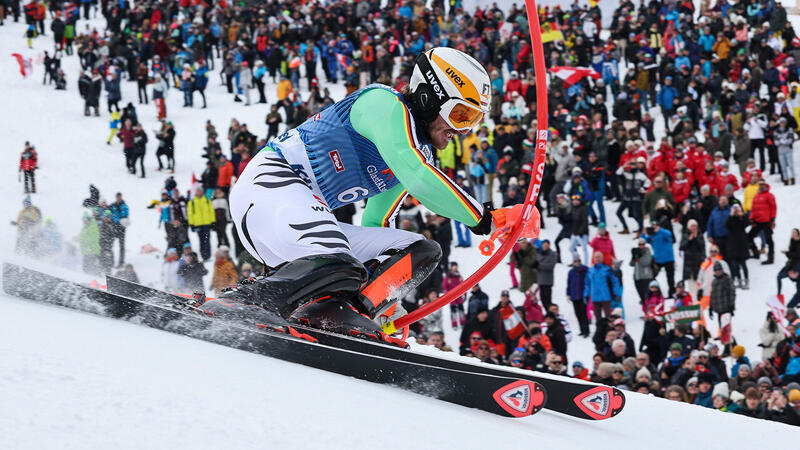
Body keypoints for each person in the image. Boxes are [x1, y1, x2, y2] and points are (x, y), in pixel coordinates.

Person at [227, 47, 538, 333]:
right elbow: (417, 174)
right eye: (461, 115)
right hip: (269, 187)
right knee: (340, 261)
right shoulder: (383, 104)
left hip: (294, 222)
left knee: (420, 250)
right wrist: (487, 218)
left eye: (475, 120)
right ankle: (249, 300)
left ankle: (343, 312)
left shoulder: (417, 153)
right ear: (430, 98)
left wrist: (383, 301)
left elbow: (378, 224)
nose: (464, 131)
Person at [584, 252, 622, 323]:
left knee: (608, 317)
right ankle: (600, 332)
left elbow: (615, 282)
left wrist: (617, 294)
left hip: (606, 297)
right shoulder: (590, 271)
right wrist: (586, 295)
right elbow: (587, 284)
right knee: (598, 318)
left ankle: (609, 332)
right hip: (595, 297)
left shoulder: (607, 269)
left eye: (599, 257)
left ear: (602, 258)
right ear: (593, 259)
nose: (597, 258)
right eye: (596, 257)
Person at [748, 179, 777, 265]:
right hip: (757, 221)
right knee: (749, 237)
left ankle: (771, 258)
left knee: (769, 240)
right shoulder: (756, 196)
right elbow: (753, 209)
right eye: (759, 184)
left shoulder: (769, 195)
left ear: (765, 184)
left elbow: (774, 207)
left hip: (766, 221)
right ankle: (756, 253)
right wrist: (751, 218)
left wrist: (772, 218)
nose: (761, 186)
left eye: (762, 184)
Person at [187, 187, 215, 262]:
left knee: (207, 239)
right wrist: (191, 224)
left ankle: (208, 256)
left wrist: (213, 221)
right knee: (201, 240)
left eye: (200, 191)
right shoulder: (192, 202)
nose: (199, 192)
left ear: (202, 192)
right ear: (196, 192)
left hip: (206, 223)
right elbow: (190, 214)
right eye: (198, 191)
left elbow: (211, 211)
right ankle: (203, 256)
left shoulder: (207, 200)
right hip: (198, 224)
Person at [566, 254, 590, 337]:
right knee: (578, 314)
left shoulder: (585, 270)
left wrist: (587, 294)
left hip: (583, 296)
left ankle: (586, 330)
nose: (576, 263)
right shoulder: (571, 272)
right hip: (574, 296)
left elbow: (588, 282)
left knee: (583, 314)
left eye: (578, 261)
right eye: (575, 261)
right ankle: (582, 330)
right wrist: (568, 293)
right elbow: (569, 283)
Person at [109, 193, 129, 267]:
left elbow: (125, 215)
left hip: (121, 228)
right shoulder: (113, 205)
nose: (118, 198)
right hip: (114, 227)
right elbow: (109, 212)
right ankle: (111, 262)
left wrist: (119, 210)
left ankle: (121, 262)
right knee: (110, 245)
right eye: (117, 197)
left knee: (121, 246)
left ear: (121, 197)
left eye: (119, 197)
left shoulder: (124, 206)